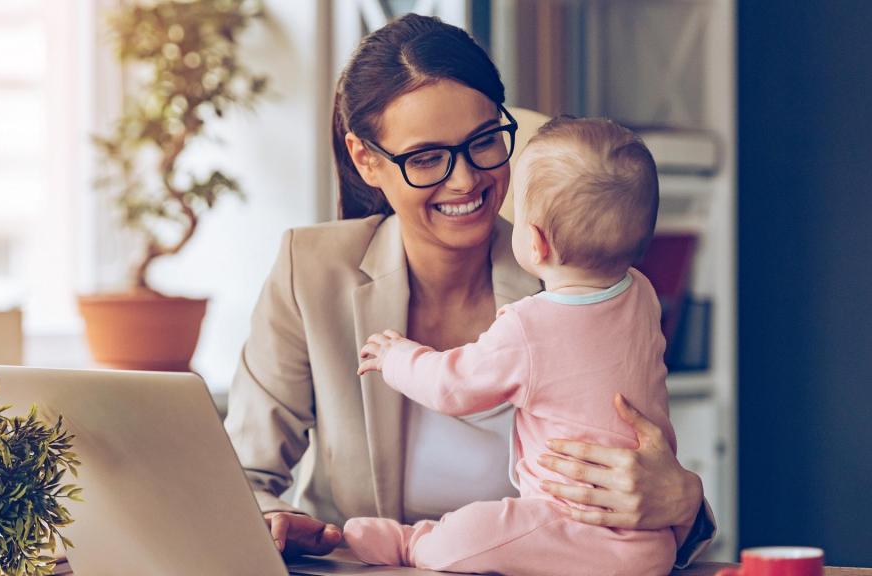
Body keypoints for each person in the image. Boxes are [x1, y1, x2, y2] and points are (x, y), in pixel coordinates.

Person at [223, 13, 715, 568]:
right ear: (367, 159)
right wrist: (273, 522)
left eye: (484, 142)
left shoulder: (578, 275)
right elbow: (240, 475)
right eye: (427, 158)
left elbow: (642, 457)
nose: (465, 180)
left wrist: (683, 499)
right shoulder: (310, 271)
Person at [342, 116, 676, 576]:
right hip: (651, 545)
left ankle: (412, 542)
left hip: (565, 519)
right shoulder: (641, 294)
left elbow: (452, 385)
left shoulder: (530, 325)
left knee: (476, 532)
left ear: (534, 242)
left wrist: (396, 356)